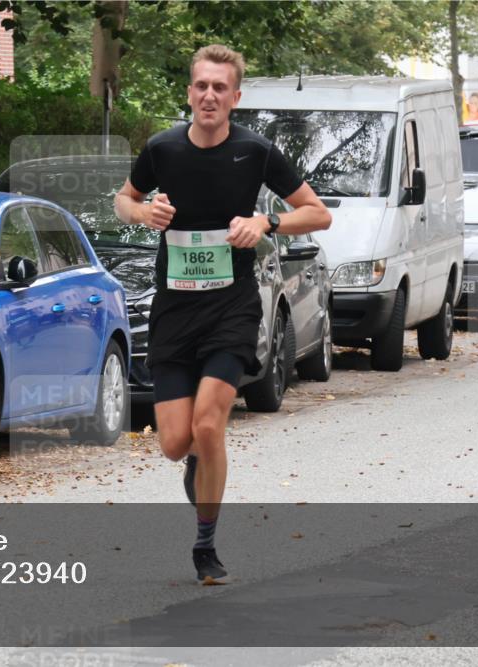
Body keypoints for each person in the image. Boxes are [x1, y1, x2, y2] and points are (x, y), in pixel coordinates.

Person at [113, 44, 331, 581]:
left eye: (220, 88)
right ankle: (195, 462)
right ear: (190, 93)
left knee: (210, 426)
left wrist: (267, 223)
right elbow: (123, 199)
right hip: (174, 310)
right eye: (200, 86)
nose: (209, 95)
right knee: (174, 443)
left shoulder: (255, 152)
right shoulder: (162, 149)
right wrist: (145, 211)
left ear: (235, 97)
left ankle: (205, 546)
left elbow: (318, 213)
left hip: (231, 309)